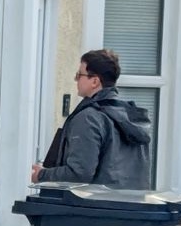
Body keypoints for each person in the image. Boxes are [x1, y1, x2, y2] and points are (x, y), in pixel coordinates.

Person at [32, 48, 151, 188]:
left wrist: (41, 175)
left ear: (95, 81)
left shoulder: (89, 118)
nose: (76, 79)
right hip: (131, 201)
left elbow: (78, 174)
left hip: (96, 201)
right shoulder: (131, 118)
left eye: (79, 75)